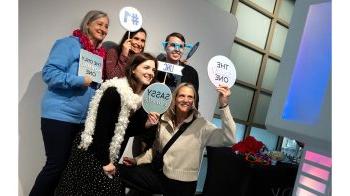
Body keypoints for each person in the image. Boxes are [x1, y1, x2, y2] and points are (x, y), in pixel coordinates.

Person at [55, 53, 159, 195]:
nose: (150, 72)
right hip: (91, 151)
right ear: (133, 69)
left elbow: (125, 129)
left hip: (107, 153)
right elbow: (101, 129)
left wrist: (146, 124)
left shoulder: (139, 99)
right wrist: (105, 162)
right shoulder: (114, 91)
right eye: (146, 67)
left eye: (153, 70)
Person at [29, 10, 109, 196]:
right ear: (87, 24)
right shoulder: (68, 44)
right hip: (59, 116)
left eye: (106, 26)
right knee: (55, 166)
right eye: (99, 24)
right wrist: (79, 80)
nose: (103, 29)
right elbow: (49, 73)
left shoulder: (97, 55)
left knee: (68, 170)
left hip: (82, 121)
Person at [120, 83, 236, 196]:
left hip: (183, 186)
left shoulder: (202, 126)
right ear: (175, 99)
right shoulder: (164, 121)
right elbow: (157, 150)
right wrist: (137, 160)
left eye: (190, 97)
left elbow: (229, 138)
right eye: (182, 96)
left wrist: (224, 106)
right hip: (161, 176)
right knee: (117, 171)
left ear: (194, 101)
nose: (186, 100)